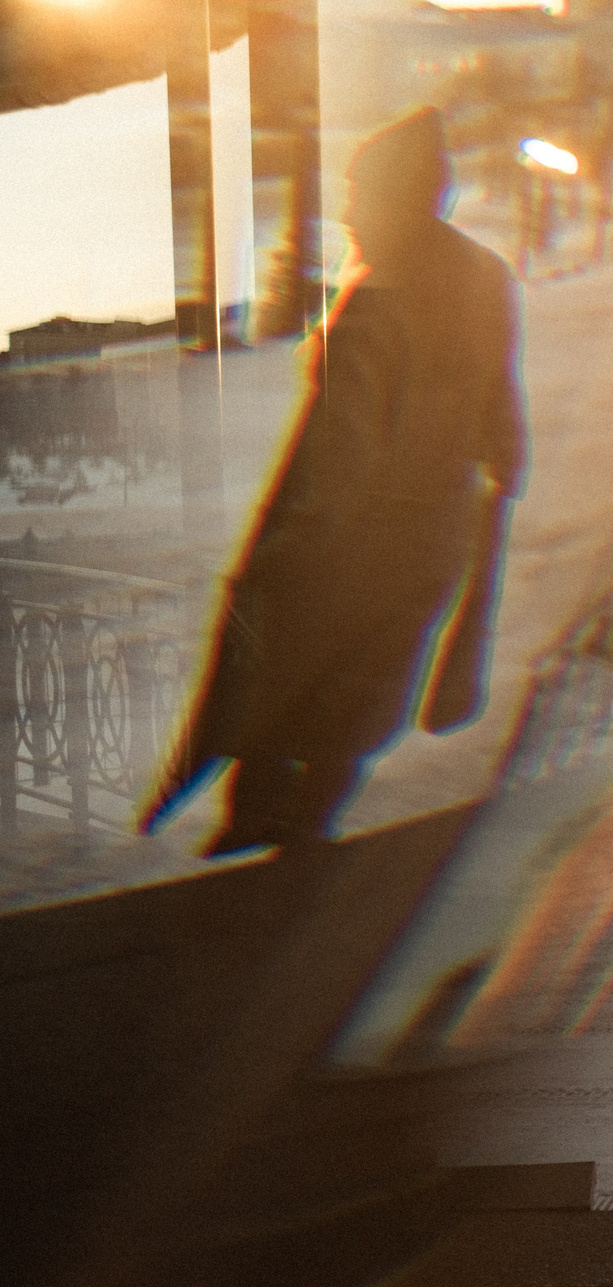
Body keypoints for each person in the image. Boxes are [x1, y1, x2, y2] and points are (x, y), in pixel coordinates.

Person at [141, 106, 528, 854]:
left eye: (359, 192)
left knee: (272, 703)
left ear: (402, 197)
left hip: (348, 558)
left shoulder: (374, 309)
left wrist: (277, 562)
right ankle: (300, 857)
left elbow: (336, 462)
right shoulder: (486, 277)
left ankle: (243, 862)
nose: (346, 211)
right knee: (349, 719)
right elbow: (504, 433)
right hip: (431, 545)